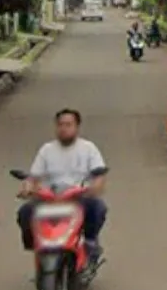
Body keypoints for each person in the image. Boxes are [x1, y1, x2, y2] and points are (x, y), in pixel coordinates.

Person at [18, 108, 108, 257]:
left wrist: (94, 188)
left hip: (78, 197)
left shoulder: (88, 148)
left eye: (68, 125)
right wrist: (27, 187)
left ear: (77, 127)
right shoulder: (47, 150)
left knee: (98, 207)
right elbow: (34, 177)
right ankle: (35, 245)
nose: (64, 128)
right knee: (25, 212)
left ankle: (90, 241)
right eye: (60, 125)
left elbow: (99, 174)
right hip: (50, 198)